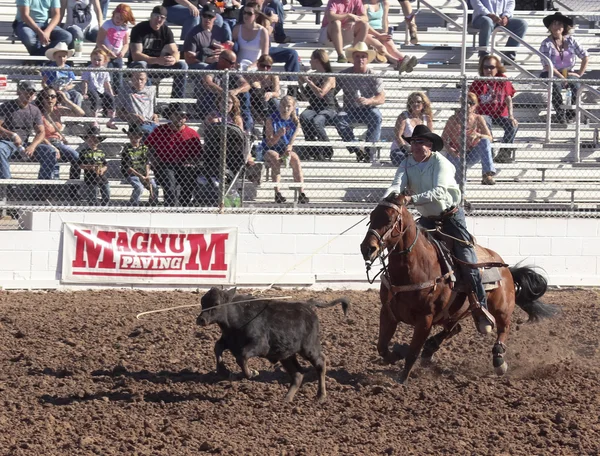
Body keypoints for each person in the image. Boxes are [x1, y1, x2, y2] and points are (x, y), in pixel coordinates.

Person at [383, 124, 496, 334]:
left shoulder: (441, 163)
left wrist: (410, 198)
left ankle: (480, 308)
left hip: (451, 217)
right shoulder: (407, 163)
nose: (416, 146)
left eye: (421, 142)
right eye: (414, 142)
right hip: (427, 218)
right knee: (406, 250)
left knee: (468, 260)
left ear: (430, 146)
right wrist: (389, 198)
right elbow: (396, 184)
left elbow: (439, 192)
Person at [335, 42, 385, 164]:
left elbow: (381, 97)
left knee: (376, 116)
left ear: (367, 59)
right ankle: (356, 148)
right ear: (352, 58)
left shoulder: (373, 75)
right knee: (339, 119)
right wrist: (337, 108)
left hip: (368, 109)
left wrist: (369, 101)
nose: (360, 59)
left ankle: (369, 151)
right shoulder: (344, 75)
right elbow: (332, 92)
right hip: (349, 110)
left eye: (363, 56)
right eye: (357, 56)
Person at [145, 103, 202, 206]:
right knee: (169, 182)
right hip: (164, 164)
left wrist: (190, 162)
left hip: (184, 165)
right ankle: (171, 205)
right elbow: (147, 147)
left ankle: (184, 204)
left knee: (188, 177)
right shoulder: (160, 130)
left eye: (183, 116)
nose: (180, 118)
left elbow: (198, 155)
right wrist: (153, 161)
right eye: (177, 115)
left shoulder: (192, 133)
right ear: (170, 115)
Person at [539, 12, 589, 124]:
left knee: (576, 85)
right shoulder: (546, 43)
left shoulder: (571, 40)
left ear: (564, 27)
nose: (557, 26)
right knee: (555, 85)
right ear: (550, 27)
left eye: (559, 24)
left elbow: (585, 56)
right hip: (551, 72)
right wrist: (562, 77)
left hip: (568, 72)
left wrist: (579, 73)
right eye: (554, 24)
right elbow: (547, 65)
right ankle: (560, 114)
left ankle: (571, 115)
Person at [0, 81, 57, 180]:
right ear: (19, 92)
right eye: (27, 91)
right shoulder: (6, 106)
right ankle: (6, 184)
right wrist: (12, 135)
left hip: (25, 144)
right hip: (8, 143)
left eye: (32, 92)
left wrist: (32, 146)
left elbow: (41, 132)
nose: (30, 94)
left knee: (50, 151)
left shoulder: (35, 110)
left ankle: (42, 188)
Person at [129, 5, 188, 99]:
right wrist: (156, 60)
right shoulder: (139, 29)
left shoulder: (166, 31)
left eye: (162, 18)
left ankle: (177, 106)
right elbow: (136, 55)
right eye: (157, 16)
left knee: (182, 65)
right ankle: (148, 102)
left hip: (159, 65)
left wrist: (174, 59)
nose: (159, 19)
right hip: (140, 66)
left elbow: (175, 52)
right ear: (151, 16)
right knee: (142, 64)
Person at [469, 54, 517, 163]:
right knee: (485, 121)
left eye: (491, 67)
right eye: (485, 67)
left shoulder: (503, 79)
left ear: (497, 68)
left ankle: (504, 154)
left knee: (513, 125)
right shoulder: (478, 82)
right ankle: (489, 153)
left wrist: (511, 116)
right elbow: (472, 100)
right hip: (484, 114)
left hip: (500, 114)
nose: (488, 70)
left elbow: (508, 98)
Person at [442, 92, 496, 186]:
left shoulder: (478, 118)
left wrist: (478, 135)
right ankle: (461, 191)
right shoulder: (453, 119)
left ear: (476, 105)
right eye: (465, 102)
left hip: (471, 153)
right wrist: (450, 150)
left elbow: (490, 138)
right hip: (456, 152)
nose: (468, 105)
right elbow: (443, 139)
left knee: (485, 141)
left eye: (471, 103)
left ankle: (487, 174)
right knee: (457, 161)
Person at [262, 96, 309, 204]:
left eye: (289, 106)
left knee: (295, 159)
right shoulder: (271, 119)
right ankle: (277, 193)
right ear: (279, 106)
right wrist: (278, 134)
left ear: (293, 108)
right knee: (275, 157)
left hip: (284, 148)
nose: (286, 109)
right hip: (271, 148)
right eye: (283, 105)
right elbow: (269, 142)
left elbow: (292, 140)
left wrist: (289, 147)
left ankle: (301, 193)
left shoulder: (295, 121)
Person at [197, 50, 253, 133]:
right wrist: (224, 92)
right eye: (231, 62)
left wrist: (236, 90)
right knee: (209, 94)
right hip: (212, 100)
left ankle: (248, 131)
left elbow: (246, 84)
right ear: (222, 60)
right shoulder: (211, 69)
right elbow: (208, 82)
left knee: (245, 94)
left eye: (234, 63)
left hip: (229, 100)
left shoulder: (232, 70)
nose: (233, 65)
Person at [33, 87, 83, 180]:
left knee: (77, 157)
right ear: (42, 99)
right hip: (43, 143)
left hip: (58, 142)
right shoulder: (38, 113)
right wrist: (53, 147)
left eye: (53, 96)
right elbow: (39, 134)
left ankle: (73, 188)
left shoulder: (58, 110)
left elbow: (80, 113)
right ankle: (46, 188)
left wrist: (66, 99)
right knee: (52, 155)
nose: (50, 99)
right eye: (46, 97)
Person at [298, 49, 337, 161]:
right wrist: (301, 84)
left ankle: (327, 148)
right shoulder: (314, 76)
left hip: (327, 108)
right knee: (304, 117)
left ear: (317, 60)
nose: (310, 62)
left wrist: (309, 82)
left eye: (311, 59)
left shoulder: (329, 76)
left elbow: (321, 93)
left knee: (317, 121)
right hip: (314, 107)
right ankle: (312, 149)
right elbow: (306, 97)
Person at [364, 0, 417, 72]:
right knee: (381, 47)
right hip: (367, 32)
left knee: (391, 46)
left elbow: (385, 20)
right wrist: (378, 35)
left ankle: (406, 61)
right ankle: (397, 61)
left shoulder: (384, 3)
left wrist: (384, 34)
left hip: (380, 31)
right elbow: (364, 24)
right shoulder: (365, 5)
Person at [96, 3, 136, 90]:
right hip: (106, 55)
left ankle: (118, 94)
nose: (119, 20)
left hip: (117, 56)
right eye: (117, 17)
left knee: (118, 78)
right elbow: (99, 42)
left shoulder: (125, 27)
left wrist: (123, 52)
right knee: (109, 77)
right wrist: (108, 52)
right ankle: (108, 94)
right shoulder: (107, 24)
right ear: (113, 15)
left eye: (122, 19)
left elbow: (126, 43)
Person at [183, 3, 233, 69]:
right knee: (206, 67)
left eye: (210, 16)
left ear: (215, 17)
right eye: (205, 15)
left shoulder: (220, 31)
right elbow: (188, 59)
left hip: (219, 63)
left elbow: (229, 49)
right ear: (201, 16)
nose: (207, 19)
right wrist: (206, 60)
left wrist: (224, 50)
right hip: (200, 66)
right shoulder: (193, 34)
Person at [390, 91, 433, 166]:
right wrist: (407, 149)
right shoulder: (403, 116)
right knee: (407, 159)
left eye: (418, 102)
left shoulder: (427, 118)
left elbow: (430, 137)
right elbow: (398, 136)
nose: (415, 104)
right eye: (412, 102)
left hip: (420, 150)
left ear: (423, 104)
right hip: (401, 150)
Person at [121, 124, 159, 206]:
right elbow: (128, 167)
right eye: (131, 137)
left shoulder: (144, 148)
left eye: (137, 137)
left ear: (141, 137)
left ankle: (152, 203)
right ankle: (133, 204)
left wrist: (147, 175)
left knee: (154, 185)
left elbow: (147, 163)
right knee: (139, 187)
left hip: (143, 173)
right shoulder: (127, 149)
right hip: (131, 174)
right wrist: (140, 176)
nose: (134, 139)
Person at [82, 48, 117, 129]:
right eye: (94, 59)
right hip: (92, 89)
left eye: (99, 60)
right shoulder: (88, 69)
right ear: (91, 59)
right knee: (96, 98)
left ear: (104, 61)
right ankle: (94, 119)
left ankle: (111, 120)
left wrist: (111, 93)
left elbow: (107, 84)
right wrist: (85, 93)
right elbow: (85, 82)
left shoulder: (104, 70)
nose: (96, 62)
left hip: (101, 90)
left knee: (111, 98)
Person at [115, 71, 159, 137]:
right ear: (132, 79)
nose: (139, 82)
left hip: (151, 122)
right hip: (136, 123)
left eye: (141, 79)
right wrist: (132, 116)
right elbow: (118, 112)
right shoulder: (125, 91)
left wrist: (155, 115)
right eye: (136, 79)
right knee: (145, 131)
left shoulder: (150, 91)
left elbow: (154, 110)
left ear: (146, 80)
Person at [41, 42, 84, 107]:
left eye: (64, 56)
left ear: (66, 57)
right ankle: (65, 111)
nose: (62, 58)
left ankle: (76, 111)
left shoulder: (68, 68)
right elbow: (44, 82)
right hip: (54, 90)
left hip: (67, 89)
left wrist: (67, 87)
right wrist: (49, 90)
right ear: (54, 57)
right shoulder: (50, 68)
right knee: (65, 95)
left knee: (78, 95)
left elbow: (72, 83)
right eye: (59, 56)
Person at [78, 125, 110, 205]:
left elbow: (105, 164)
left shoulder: (101, 152)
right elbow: (80, 165)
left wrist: (102, 169)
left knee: (106, 192)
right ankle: (93, 205)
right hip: (90, 177)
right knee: (93, 195)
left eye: (95, 140)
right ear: (87, 140)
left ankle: (104, 205)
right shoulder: (84, 152)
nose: (93, 142)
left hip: (101, 176)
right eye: (90, 140)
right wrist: (90, 167)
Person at [232, 2, 269, 70]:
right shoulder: (237, 29)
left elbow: (264, 56)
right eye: (244, 12)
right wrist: (236, 63)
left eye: (249, 13)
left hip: (256, 68)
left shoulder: (263, 31)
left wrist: (252, 66)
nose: (246, 15)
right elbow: (232, 50)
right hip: (238, 67)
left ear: (256, 15)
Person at [248, 54, 280, 123]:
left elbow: (277, 93)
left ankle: (271, 125)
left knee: (275, 102)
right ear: (258, 65)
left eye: (268, 67)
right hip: (255, 102)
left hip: (268, 101)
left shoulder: (273, 76)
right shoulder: (252, 75)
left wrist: (271, 93)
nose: (265, 69)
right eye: (263, 66)